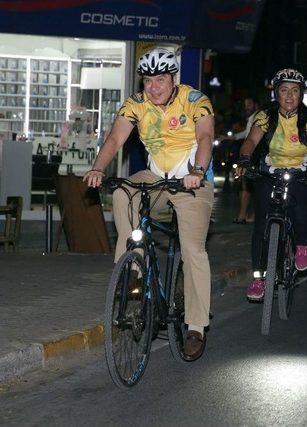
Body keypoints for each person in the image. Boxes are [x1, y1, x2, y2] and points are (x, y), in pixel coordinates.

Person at [83, 47, 215, 360]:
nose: (153, 86)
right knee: (122, 191)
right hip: (156, 178)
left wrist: (197, 171)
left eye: (160, 79)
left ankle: (196, 326)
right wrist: (98, 168)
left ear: (173, 79)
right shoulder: (136, 105)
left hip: (191, 182)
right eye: (147, 80)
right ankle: (133, 264)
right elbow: (115, 140)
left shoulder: (195, 100)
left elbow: (206, 137)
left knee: (193, 249)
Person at [235, 68, 307, 302]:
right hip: (269, 171)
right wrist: (244, 159)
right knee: (260, 225)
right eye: (284, 90)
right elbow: (251, 140)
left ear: (301, 94)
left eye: (294, 91)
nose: (289, 96)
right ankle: (258, 278)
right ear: (276, 93)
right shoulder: (266, 116)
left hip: (301, 172)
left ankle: (303, 244)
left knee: (299, 210)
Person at [232, 96, 259, 224]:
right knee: (246, 186)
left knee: (249, 187)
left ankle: (249, 215)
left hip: (254, 157)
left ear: (255, 105)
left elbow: (251, 138)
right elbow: (246, 134)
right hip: (249, 156)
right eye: (245, 104)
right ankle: (244, 215)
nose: (246, 107)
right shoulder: (251, 118)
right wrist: (231, 137)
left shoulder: (259, 117)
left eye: (249, 104)